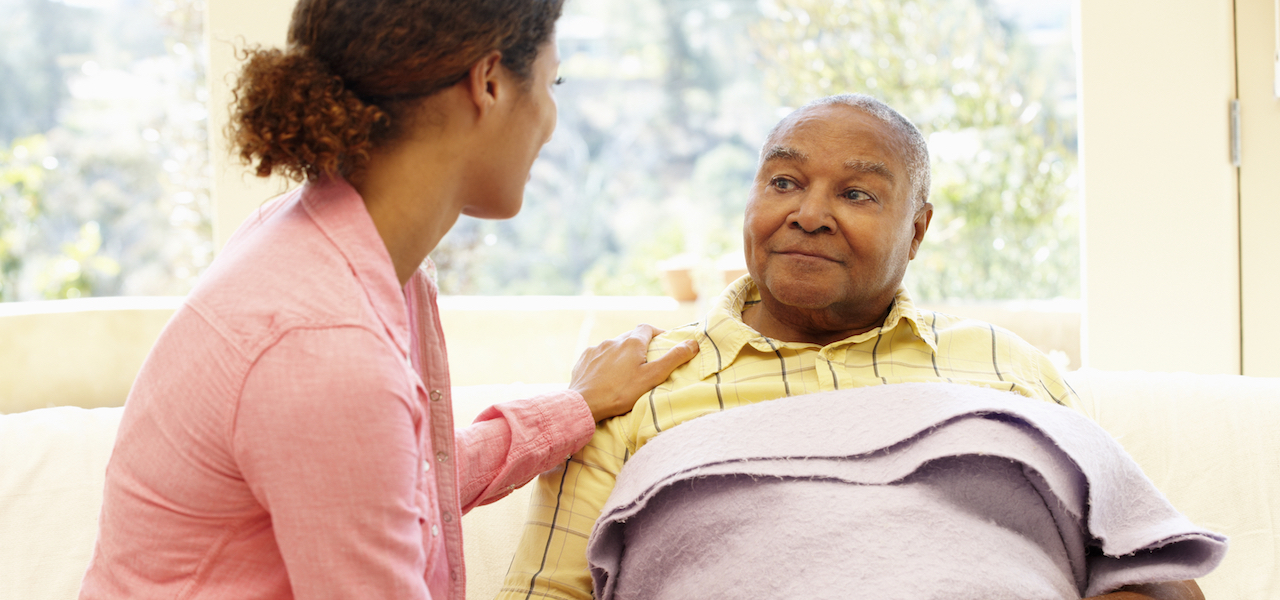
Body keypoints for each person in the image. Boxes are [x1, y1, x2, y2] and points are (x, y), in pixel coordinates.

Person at [77, 1, 697, 599]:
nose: (552, 120)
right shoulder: (324, 345)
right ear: (488, 83)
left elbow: (398, 484)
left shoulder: (340, 248)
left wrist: (576, 408)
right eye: (550, 82)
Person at [498, 94, 1203, 600]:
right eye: (784, 182)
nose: (808, 215)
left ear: (917, 231)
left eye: (858, 194)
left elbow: (1151, 569)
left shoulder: (1005, 365)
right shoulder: (636, 382)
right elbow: (546, 592)